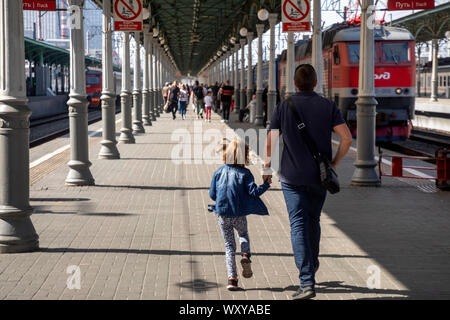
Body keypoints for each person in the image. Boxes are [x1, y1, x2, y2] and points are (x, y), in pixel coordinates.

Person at [263, 64, 352, 300]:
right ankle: (311, 265)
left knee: (298, 225)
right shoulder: (328, 105)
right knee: (313, 221)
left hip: (291, 177)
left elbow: (271, 140)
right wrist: (334, 163)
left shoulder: (284, 106)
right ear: (315, 83)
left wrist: (266, 167)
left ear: (294, 84)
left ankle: (306, 281)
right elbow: (346, 138)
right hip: (319, 177)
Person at [209, 138, 271, 291]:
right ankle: (245, 254)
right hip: (239, 214)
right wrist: (266, 184)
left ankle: (232, 279)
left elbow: (212, 194)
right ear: (245, 156)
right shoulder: (245, 173)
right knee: (243, 234)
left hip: (223, 215)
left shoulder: (218, 172)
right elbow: (253, 192)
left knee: (229, 246)